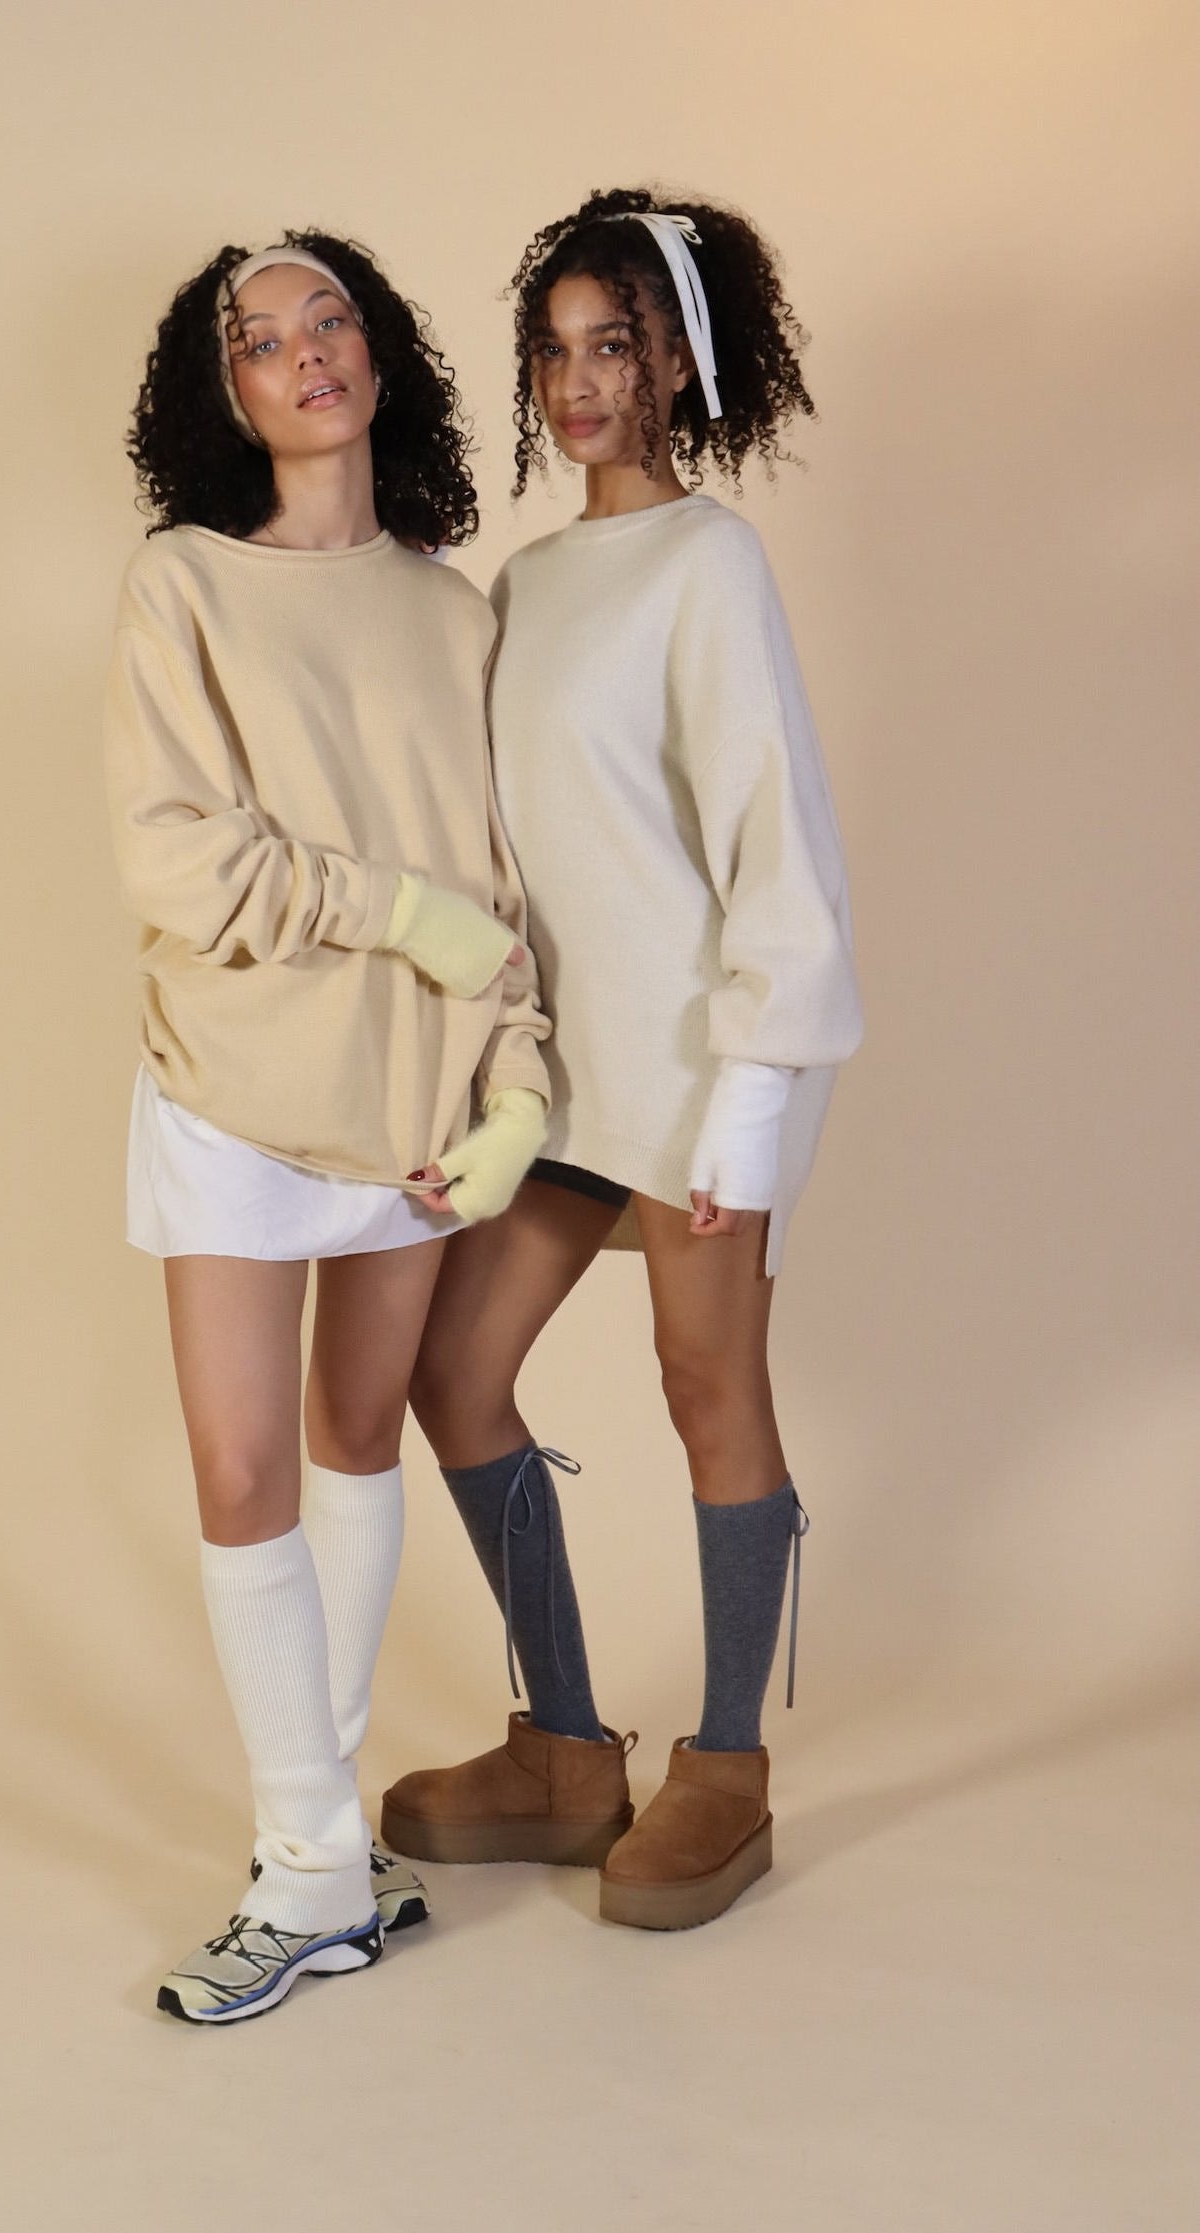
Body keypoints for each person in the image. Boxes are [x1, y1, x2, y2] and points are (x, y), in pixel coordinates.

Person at [383, 186, 864, 1932]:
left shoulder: (709, 563)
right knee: (455, 1369)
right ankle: (568, 1751)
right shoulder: (527, 581)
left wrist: (749, 1095)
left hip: (702, 1060)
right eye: (556, 349)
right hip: (569, 1076)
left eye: (618, 346)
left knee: (705, 1383)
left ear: (681, 363)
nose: (582, 382)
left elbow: (771, 834)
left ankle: (726, 1765)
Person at [105, 230, 552, 2020]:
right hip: (230, 1085)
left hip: (413, 1104)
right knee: (244, 1470)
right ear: (222, 393)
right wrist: (392, 910)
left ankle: (326, 1861)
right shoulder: (183, 585)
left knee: (359, 1434)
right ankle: (309, 1868)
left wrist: (521, 1080)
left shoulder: (456, 615)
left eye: (330, 318)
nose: (305, 351)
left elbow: (502, 889)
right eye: (259, 338)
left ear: (378, 355)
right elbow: (177, 857)